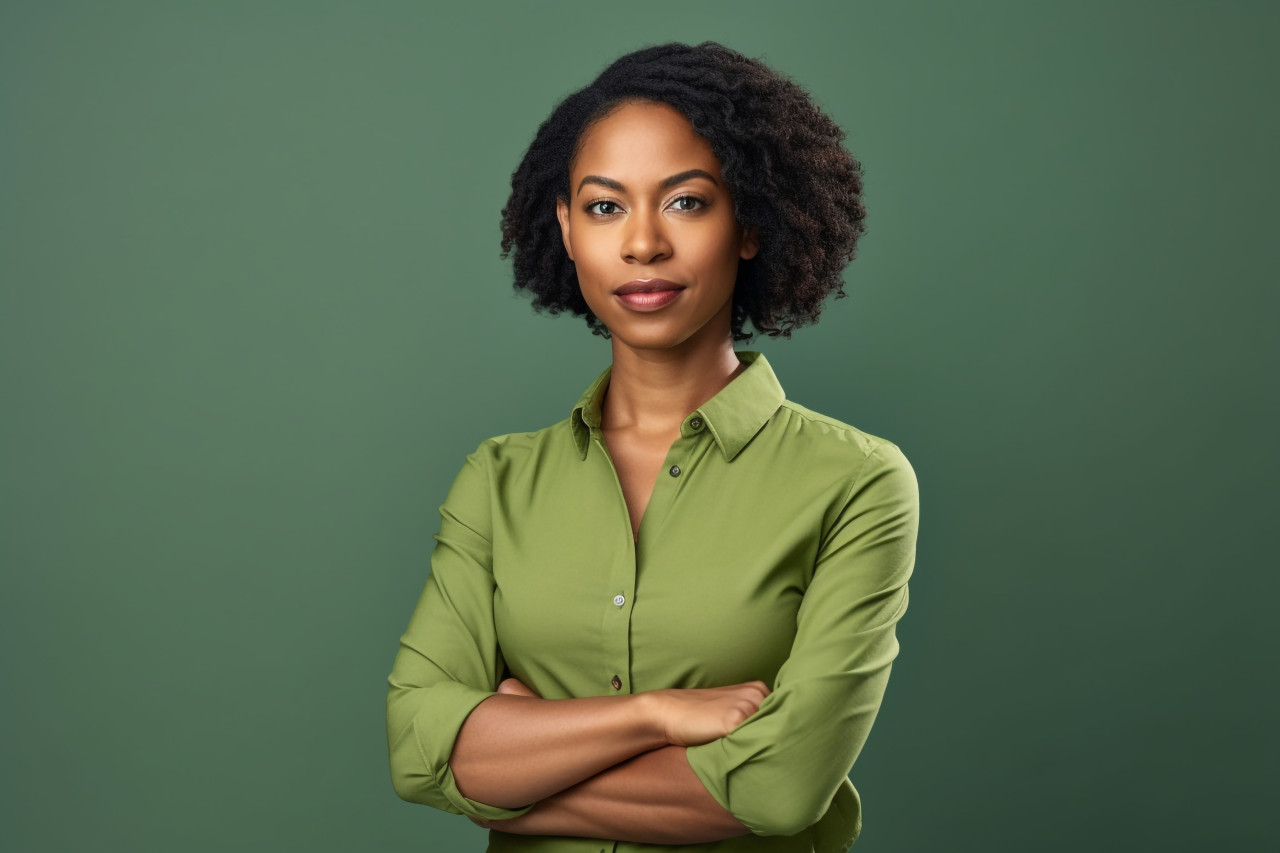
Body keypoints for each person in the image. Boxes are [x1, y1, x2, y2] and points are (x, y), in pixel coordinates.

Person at [385, 41, 921, 853]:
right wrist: (651, 715)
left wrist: (506, 778)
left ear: (750, 222)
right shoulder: (496, 482)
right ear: (565, 229)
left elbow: (777, 790)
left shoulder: (856, 482)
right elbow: (414, 745)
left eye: (686, 203)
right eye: (605, 207)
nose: (641, 244)